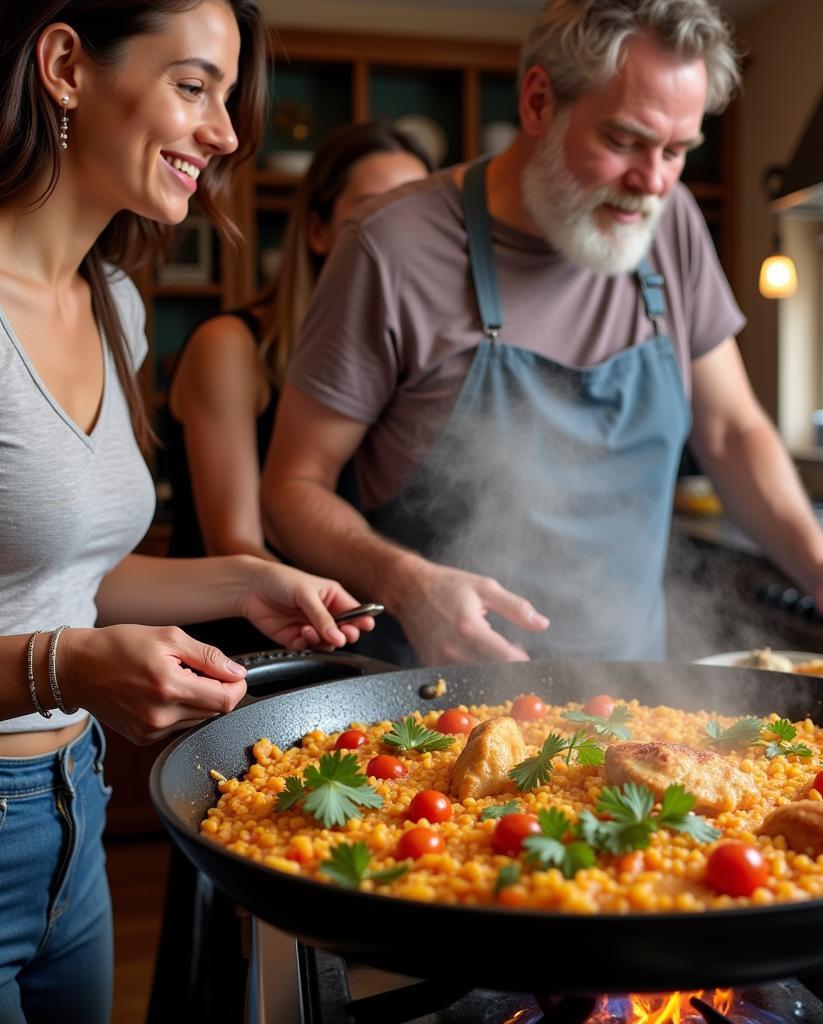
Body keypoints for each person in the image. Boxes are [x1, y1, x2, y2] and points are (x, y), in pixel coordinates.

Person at [262, 0, 823, 667]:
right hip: (437, 704)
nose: (653, 182)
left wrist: (819, 564)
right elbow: (293, 488)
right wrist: (407, 585)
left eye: (677, 151)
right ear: (536, 102)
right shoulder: (392, 248)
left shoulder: (672, 224)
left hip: (639, 699)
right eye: (624, 141)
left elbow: (730, 430)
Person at [0, 3, 375, 1022]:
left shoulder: (113, 299)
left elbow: (70, 578)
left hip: (72, 807)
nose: (227, 134)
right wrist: (64, 664)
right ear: (67, 66)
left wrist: (249, 582)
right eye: (195, 85)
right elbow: (54, 629)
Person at [163, 122, 430, 653]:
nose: (404, 239)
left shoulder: (398, 364)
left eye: (421, 218)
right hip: (243, 654)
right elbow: (234, 543)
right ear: (318, 231)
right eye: (379, 213)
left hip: (351, 639)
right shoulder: (231, 346)